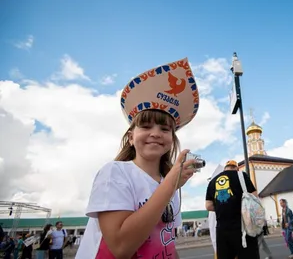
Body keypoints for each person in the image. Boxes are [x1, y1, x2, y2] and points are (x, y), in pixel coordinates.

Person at [75, 58, 201, 259]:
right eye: (146, 126)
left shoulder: (171, 185)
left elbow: (167, 242)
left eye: (164, 129)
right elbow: (121, 247)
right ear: (131, 138)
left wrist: (170, 184)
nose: (156, 133)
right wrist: (170, 185)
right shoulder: (114, 172)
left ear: (172, 139)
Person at [205, 160, 260, 259]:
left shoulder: (213, 181)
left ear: (225, 168)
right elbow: (254, 197)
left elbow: (208, 206)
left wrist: (223, 207)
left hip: (222, 230)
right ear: (236, 168)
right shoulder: (241, 176)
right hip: (243, 227)